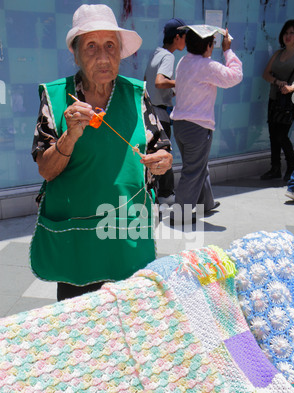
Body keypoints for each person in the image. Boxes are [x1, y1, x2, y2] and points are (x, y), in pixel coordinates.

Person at [30, 4, 172, 302]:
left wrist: (162, 162)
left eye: (110, 46)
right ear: (76, 53)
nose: (103, 56)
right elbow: (46, 169)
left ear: (120, 52)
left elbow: (161, 148)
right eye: (91, 47)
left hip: (124, 231)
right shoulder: (56, 96)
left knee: (129, 320)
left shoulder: (137, 93)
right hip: (77, 236)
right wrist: (70, 137)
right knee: (79, 324)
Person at [170, 26, 242, 220]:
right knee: (193, 170)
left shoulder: (183, 62)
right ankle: (181, 215)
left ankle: (206, 203)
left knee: (198, 165)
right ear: (209, 46)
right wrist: (228, 50)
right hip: (197, 127)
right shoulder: (207, 66)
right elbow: (235, 76)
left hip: (180, 124)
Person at [144, 18, 186, 201]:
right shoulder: (169, 56)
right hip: (161, 113)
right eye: (185, 37)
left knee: (153, 154)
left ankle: (155, 193)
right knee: (164, 154)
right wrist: (182, 82)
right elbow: (159, 81)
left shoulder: (157, 52)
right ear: (177, 37)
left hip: (149, 110)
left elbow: (147, 80)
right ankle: (166, 194)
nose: (186, 41)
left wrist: (172, 90)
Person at [261, 19, 294, 181]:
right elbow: (266, 74)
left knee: (281, 134)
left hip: (291, 99)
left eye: (291, 33)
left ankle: (292, 164)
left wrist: (292, 87)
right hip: (275, 97)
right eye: (286, 32)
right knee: (272, 134)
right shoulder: (278, 53)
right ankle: (275, 168)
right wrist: (277, 82)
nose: (288, 36)